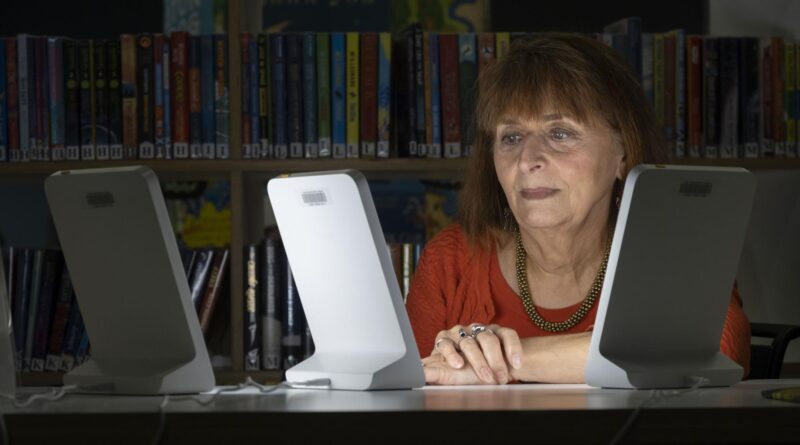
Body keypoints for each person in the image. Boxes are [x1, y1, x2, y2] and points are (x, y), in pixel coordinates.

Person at [405, 33, 751, 385]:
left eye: (560, 133)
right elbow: (407, 394)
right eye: (511, 137)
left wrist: (504, 361)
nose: (527, 160)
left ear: (624, 153)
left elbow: (714, 352)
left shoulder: (680, 253)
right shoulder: (451, 260)